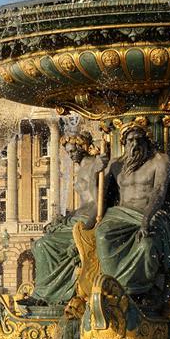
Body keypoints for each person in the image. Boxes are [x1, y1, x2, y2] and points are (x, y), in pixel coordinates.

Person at [95, 118, 170, 303]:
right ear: (123, 143)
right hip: (121, 215)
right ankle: (113, 285)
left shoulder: (160, 161)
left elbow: (159, 192)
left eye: (139, 139)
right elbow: (97, 194)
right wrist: (97, 170)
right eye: (130, 141)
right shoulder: (115, 165)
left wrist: (146, 219)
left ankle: (142, 290)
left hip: (150, 213)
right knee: (102, 235)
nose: (135, 144)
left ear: (147, 141)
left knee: (146, 244)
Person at [26, 131, 106, 306]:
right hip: (77, 218)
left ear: (83, 147)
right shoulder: (84, 168)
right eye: (68, 152)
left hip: (85, 221)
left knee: (43, 245)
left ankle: (46, 294)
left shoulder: (95, 166)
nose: (71, 156)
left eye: (73, 151)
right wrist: (65, 218)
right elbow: (85, 203)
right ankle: (46, 293)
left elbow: (96, 204)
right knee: (42, 240)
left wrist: (84, 230)